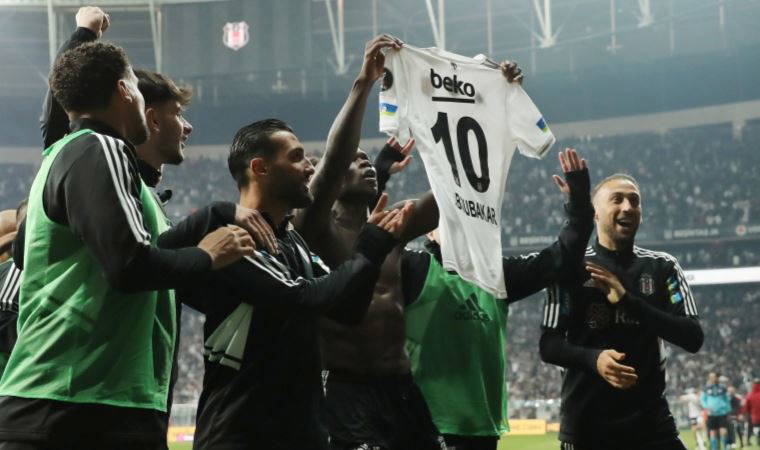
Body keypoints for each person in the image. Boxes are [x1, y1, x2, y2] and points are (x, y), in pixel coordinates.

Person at [0, 40, 255, 450]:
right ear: (124, 90)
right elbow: (129, 265)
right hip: (77, 400)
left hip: (90, 398)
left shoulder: (70, 155)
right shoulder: (100, 148)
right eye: (135, 86)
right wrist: (208, 255)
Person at [155, 118, 414, 449]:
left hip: (303, 432)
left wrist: (372, 250)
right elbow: (302, 298)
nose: (309, 168)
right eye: (296, 157)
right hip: (242, 435)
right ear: (260, 168)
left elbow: (347, 309)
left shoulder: (293, 240)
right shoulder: (233, 239)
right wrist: (370, 248)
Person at [400, 148, 594, 450]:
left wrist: (580, 204)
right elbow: (368, 246)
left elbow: (561, 258)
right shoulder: (414, 267)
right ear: (428, 232)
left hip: (483, 430)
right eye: (447, 217)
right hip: (424, 427)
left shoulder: (496, 273)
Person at [540, 173, 704, 450]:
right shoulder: (569, 267)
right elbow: (549, 346)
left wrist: (627, 301)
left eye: (634, 201)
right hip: (587, 430)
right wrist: (594, 359)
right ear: (594, 212)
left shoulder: (662, 267)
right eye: (617, 199)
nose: (628, 207)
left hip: (652, 429)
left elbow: (693, 337)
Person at [703, 372, 732, 450]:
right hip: (711, 414)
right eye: (711, 377)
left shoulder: (722, 388)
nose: (713, 378)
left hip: (722, 413)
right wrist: (707, 407)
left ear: (717, 378)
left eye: (714, 377)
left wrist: (728, 411)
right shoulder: (706, 388)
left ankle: (725, 448)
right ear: (709, 378)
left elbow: (727, 399)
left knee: (724, 432)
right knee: (713, 433)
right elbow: (703, 400)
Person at [744, 379, 760, 446]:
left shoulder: (750, 395)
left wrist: (746, 413)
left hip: (753, 416)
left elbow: (746, 406)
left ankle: (748, 441)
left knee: (751, 429)